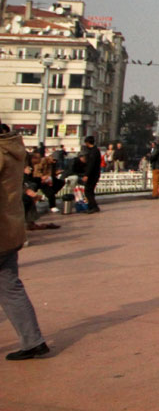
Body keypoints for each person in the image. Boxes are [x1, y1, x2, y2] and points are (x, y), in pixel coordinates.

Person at [1, 122, 50, 360]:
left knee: (10, 288)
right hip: (9, 229)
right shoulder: (12, 151)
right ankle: (33, 341)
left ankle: (33, 341)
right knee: (11, 288)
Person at [81, 135, 102, 213]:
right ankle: (91, 206)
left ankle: (94, 206)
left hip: (93, 174)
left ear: (87, 143)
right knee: (90, 191)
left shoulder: (93, 152)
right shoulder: (95, 151)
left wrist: (86, 174)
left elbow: (91, 164)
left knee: (88, 191)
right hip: (95, 173)